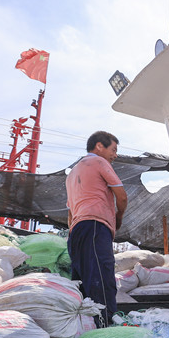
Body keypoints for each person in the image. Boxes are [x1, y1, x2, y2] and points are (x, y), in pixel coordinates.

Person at [66, 131, 128, 327]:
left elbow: (70, 214)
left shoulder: (72, 173)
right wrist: (117, 217)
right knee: (102, 276)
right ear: (99, 146)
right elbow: (122, 196)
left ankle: (85, 327)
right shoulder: (99, 162)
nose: (115, 155)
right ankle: (105, 326)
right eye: (114, 149)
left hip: (76, 230)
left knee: (82, 282)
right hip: (95, 225)